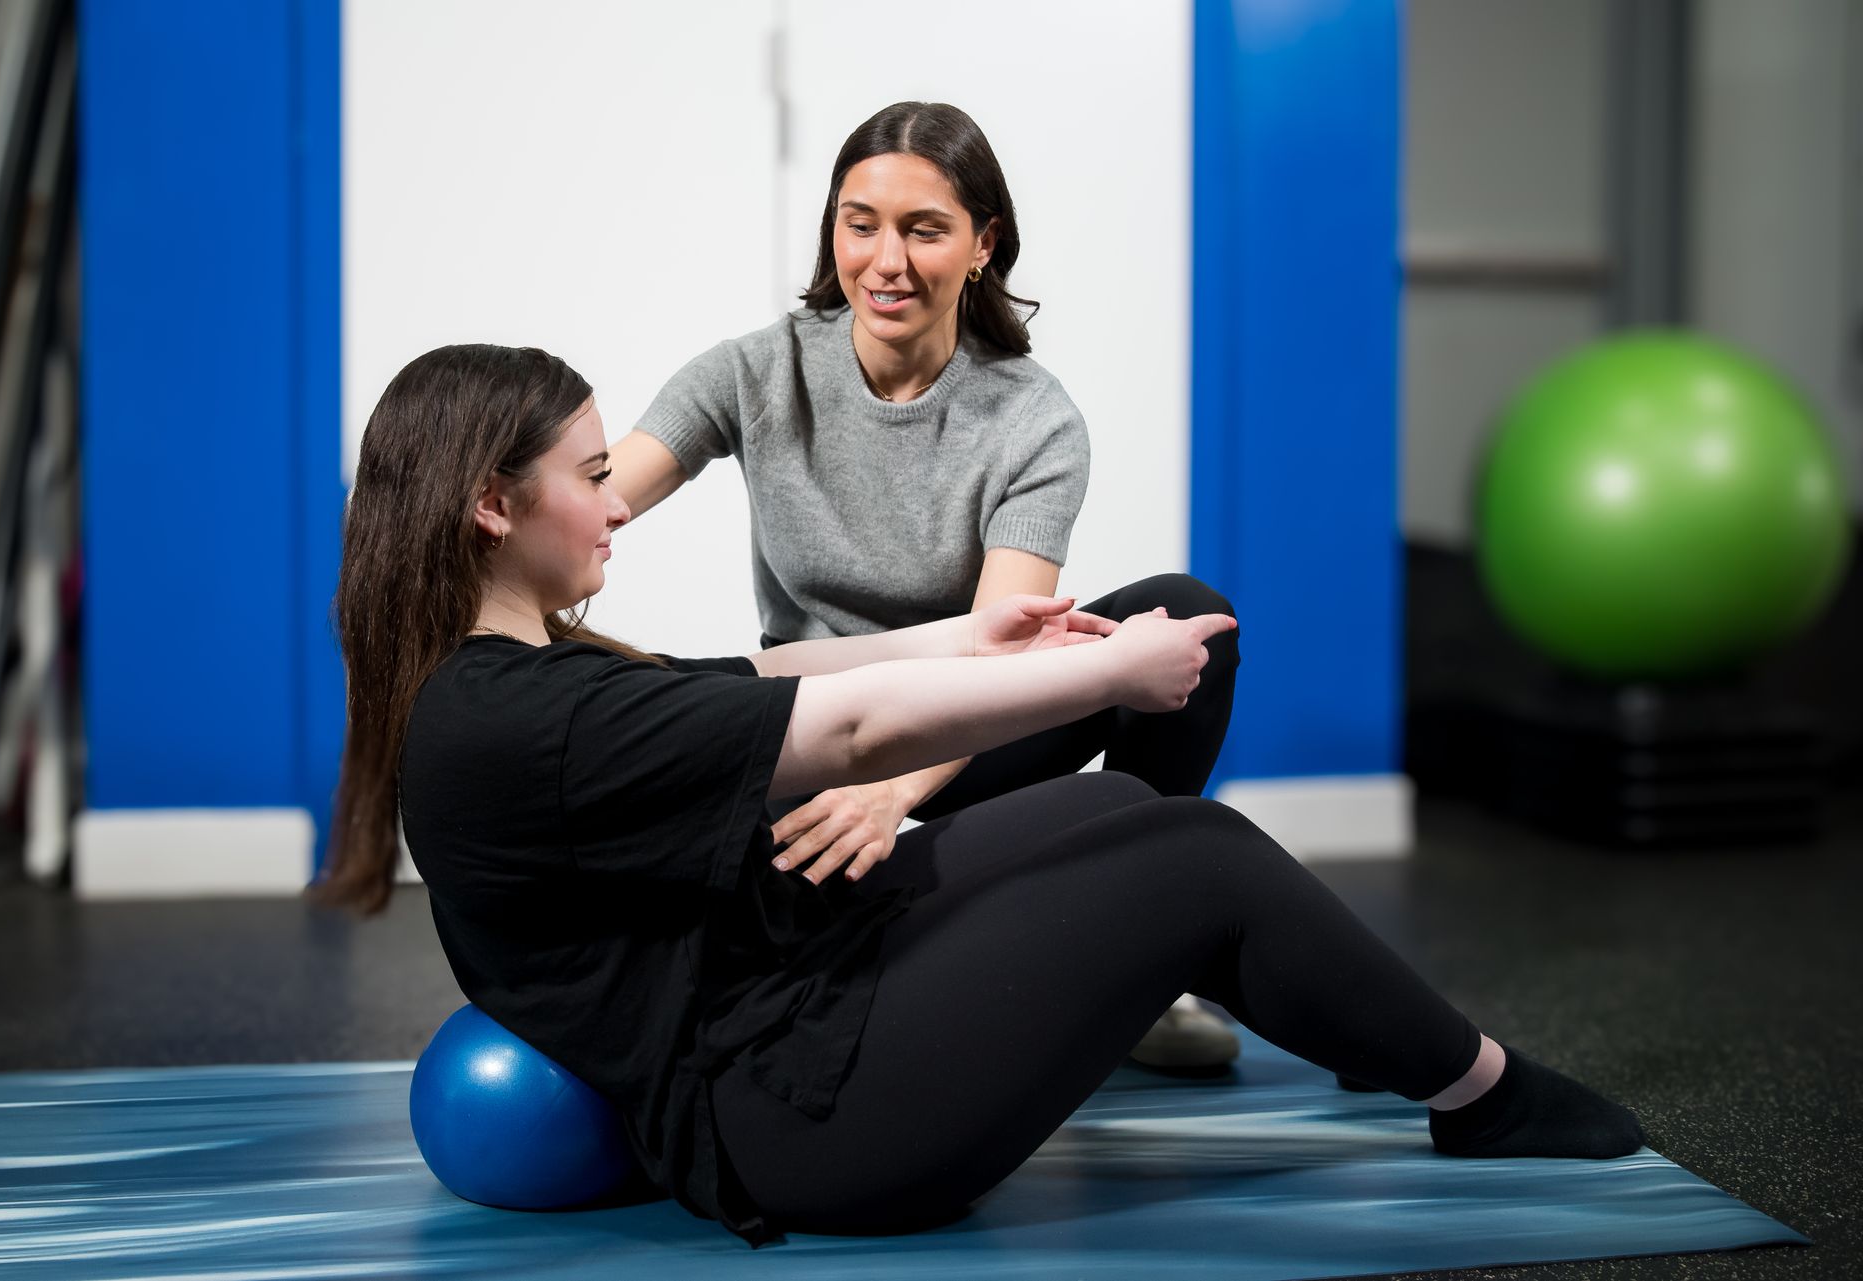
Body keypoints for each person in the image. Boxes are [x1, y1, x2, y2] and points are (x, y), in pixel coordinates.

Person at [316, 344, 1648, 1247]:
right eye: (592, 476)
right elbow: (845, 727)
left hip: (788, 999)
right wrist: (1111, 675)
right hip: (797, 1120)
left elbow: (773, 667)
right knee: (1198, 854)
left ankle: (1361, 1021)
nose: (615, 505)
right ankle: (1483, 1096)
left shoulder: (517, 674)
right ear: (496, 505)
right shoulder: (508, 718)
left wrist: (977, 638)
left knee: (1113, 817)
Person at [608, 100, 1238, 1069]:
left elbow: (1003, 653)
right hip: (815, 729)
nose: (885, 260)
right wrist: (476, 526)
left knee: (1191, 613)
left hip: (955, 735)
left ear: (983, 244)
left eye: (924, 229)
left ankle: (1132, 954)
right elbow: (602, 495)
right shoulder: (754, 370)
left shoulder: (1032, 419)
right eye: (860, 224)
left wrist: (891, 792)